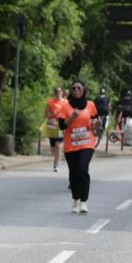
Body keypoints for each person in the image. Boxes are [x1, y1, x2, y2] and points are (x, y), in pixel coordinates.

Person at [58, 80, 99, 214]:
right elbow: (61, 126)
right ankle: (76, 200)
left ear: (83, 90)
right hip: (71, 145)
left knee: (82, 169)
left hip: (87, 143)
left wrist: (96, 124)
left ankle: (84, 202)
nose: (76, 90)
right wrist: (72, 117)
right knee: (74, 173)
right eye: (74, 88)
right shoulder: (66, 106)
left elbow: (96, 121)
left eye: (79, 88)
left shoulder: (90, 105)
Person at [44, 87, 67, 172]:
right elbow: (46, 114)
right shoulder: (50, 102)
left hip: (61, 126)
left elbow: (68, 114)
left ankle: (56, 164)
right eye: (57, 91)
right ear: (55, 93)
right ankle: (57, 157)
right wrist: (51, 115)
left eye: (59, 91)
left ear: (62, 92)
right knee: (53, 148)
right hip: (52, 125)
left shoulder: (66, 103)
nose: (58, 93)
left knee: (58, 145)